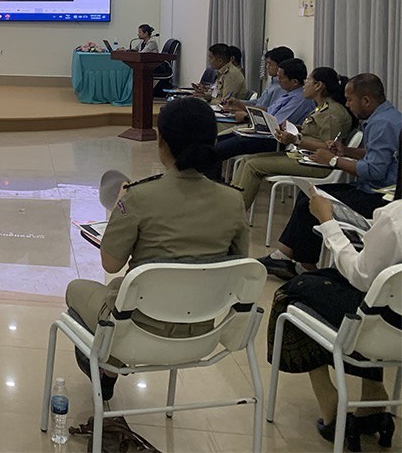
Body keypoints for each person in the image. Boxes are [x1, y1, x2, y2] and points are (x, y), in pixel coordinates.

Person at [65, 96, 250, 399]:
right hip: (203, 332)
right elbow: (241, 265)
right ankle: (109, 367)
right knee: (125, 288)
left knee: (77, 289)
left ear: (161, 141)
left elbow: (110, 263)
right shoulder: (234, 200)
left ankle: (107, 367)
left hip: (137, 332)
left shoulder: (139, 197)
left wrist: (117, 210)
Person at [266, 165, 402, 449]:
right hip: (393, 317)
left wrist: (328, 223)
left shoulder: (396, 217)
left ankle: (331, 406)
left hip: (379, 326)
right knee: (366, 295)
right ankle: (372, 401)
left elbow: (361, 276)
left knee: (292, 294)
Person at [259, 73, 402, 279]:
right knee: (309, 196)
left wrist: (332, 160)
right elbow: (377, 156)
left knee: (313, 199)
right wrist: (346, 151)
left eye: (350, 100)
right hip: (374, 190)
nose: (348, 104)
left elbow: (374, 171)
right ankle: (292, 259)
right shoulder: (386, 117)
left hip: (379, 198)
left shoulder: (382, 124)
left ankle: (291, 259)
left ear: (366, 100)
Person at [232, 67, 354, 209]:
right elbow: (314, 133)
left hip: (319, 165)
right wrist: (293, 129)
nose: (304, 84)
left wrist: (296, 140)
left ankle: (235, 214)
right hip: (305, 156)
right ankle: (231, 205)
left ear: (318, 86)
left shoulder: (332, 113)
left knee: (253, 166)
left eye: (308, 80)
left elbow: (330, 148)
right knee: (247, 160)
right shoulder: (321, 108)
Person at [214, 58, 316, 162]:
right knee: (218, 140)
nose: (278, 81)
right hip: (262, 133)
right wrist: (240, 105)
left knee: (220, 149)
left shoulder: (300, 100)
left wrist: (246, 117)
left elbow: (276, 124)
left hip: (272, 140)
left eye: (281, 78)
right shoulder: (289, 93)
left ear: (294, 82)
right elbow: (269, 110)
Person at [224, 46, 295, 119]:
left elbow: (269, 112)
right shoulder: (273, 83)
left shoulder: (282, 87)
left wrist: (244, 111)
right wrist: (238, 102)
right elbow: (258, 102)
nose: (267, 67)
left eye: (270, 64)